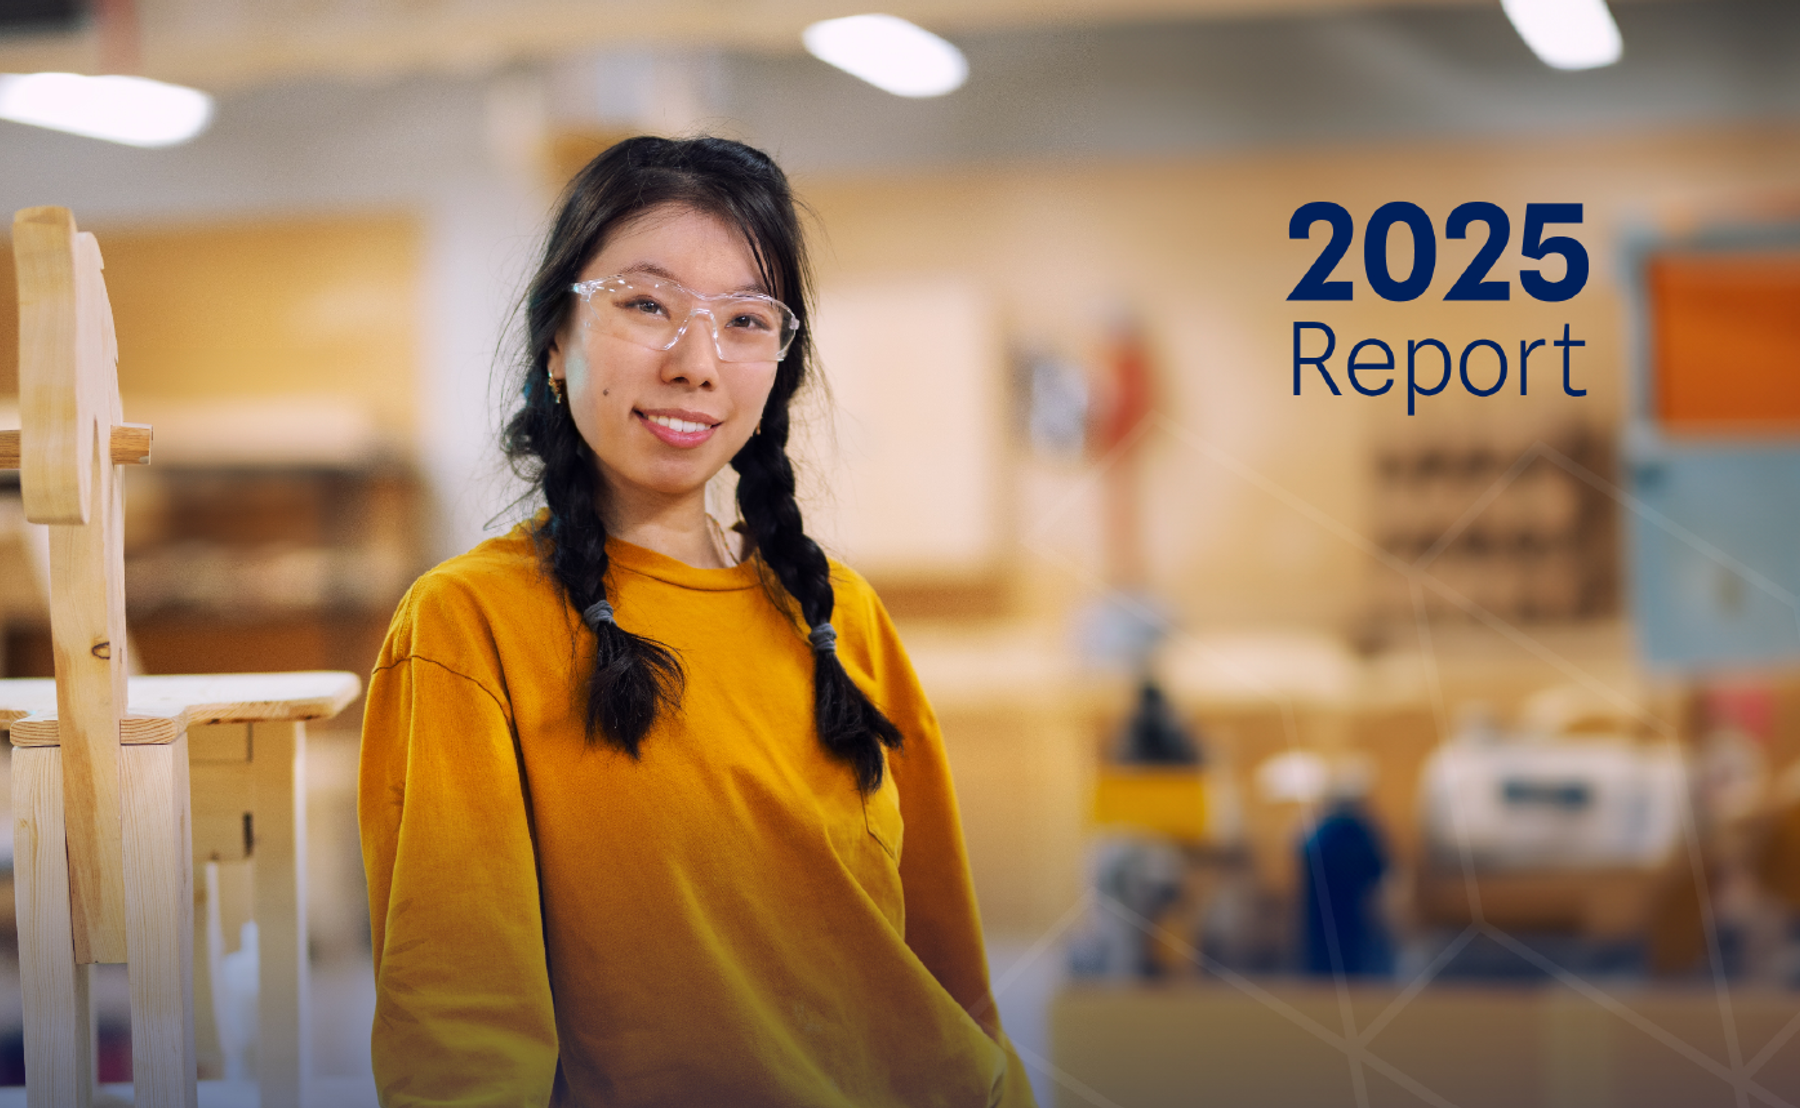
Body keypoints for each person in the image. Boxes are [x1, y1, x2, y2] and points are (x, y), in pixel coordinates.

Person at [358, 135, 1037, 1107]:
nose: (696, 362)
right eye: (646, 304)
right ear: (556, 339)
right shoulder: (471, 625)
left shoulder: (839, 616)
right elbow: (458, 1025)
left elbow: (952, 981)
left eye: (747, 320)